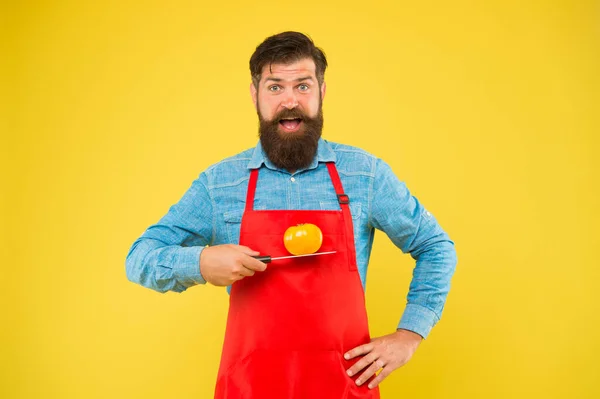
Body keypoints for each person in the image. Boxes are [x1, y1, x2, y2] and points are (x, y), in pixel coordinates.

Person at [126, 31, 457, 398]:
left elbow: (435, 246)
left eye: (302, 85)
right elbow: (139, 258)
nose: (289, 100)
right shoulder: (220, 184)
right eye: (274, 87)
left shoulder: (365, 175)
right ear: (255, 96)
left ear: (321, 92)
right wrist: (200, 262)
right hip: (250, 388)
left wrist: (410, 334)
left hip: (342, 387)